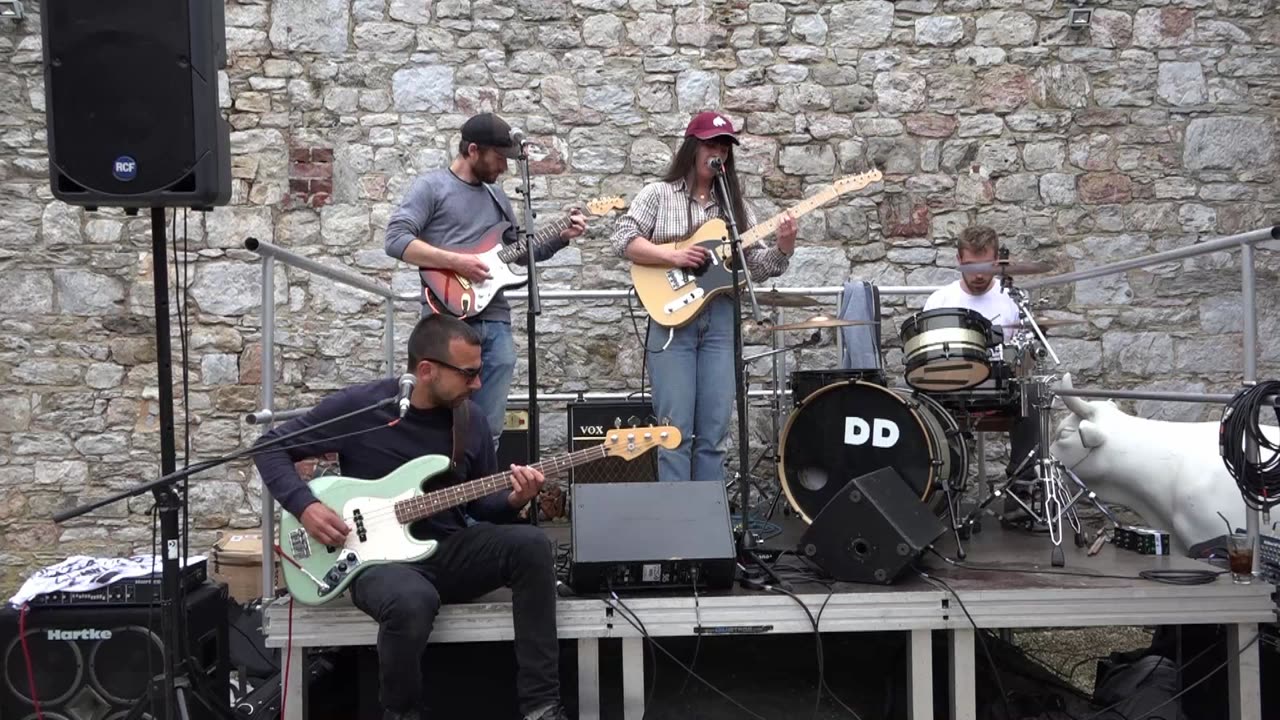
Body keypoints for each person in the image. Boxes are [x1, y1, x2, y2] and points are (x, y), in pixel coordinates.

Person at [253, 315, 567, 720]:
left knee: (532, 546)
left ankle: (541, 706)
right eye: (469, 374)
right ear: (426, 370)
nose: (478, 385)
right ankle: (402, 714)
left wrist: (513, 499)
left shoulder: (469, 422)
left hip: (449, 551)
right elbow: (270, 448)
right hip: (374, 562)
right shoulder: (364, 407)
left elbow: (479, 507)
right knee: (410, 601)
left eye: (480, 372)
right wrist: (305, 506)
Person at [609, 110, 797, 482]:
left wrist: (784, 249)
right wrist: (673, 256)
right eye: (712, 144)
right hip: (671, 324)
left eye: (725, 146)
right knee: (674, 431)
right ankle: (677, 527)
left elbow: (756, 267)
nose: (719, 153)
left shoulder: (735, 209)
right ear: (693, 148)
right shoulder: (658, 195)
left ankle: (710, 524)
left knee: (714, 434)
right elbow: (622, 239)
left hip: (721, 321)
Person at [385, 112, 588, 449]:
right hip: (445, 320)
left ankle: (480, 492)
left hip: (494, 319)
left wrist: (560, 237)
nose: (504, 168)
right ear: (473, 150)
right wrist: (457, 262)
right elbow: (396, 240)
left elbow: (515, 256)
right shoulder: (431, 187)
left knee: (488, 426)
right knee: (440, 422)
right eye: (498, 158)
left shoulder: (498, 198)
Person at [924, 225, 1040, 482]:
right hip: (952, 388)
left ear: (997, 261)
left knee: (1033, 395)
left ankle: (1021, 491)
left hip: (1000, 389)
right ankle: (945, 491)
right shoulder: (940, 301)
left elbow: (1028, 360)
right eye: (970, 266)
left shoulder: (1013, 300)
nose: (978, 275)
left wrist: (1024, 360)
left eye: (985, 266)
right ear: (958, 261)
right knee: (924, 399)